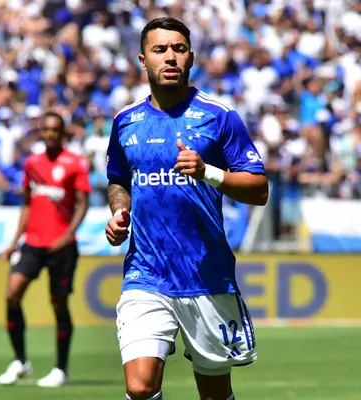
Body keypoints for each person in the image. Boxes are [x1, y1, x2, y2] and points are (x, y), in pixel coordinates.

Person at [104, 18, 269, 400]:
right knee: (140, 386)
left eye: (178, 49)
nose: (170, 57)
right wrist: (118, 212)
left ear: (191, 58)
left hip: (206, 276)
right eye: (160, 49)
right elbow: (118, 180)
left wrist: (208, 172)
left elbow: (259, 190)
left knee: (213, 393)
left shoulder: (219, 116)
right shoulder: (125, 121)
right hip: (146, 274)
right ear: (142, 61)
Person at [0, 111, 91, 387]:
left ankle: (60, 368)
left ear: (62, 133)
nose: (49, 134)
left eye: (54, 130)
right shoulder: (32, 163)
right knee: (12, 294)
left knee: (58, 304)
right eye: (45, 130)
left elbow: (81, 204)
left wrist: (68, 235)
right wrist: (15, 241)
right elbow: (27, 203)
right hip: (33, 243)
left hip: (62, 247)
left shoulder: (75, 163)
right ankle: (20, 361)